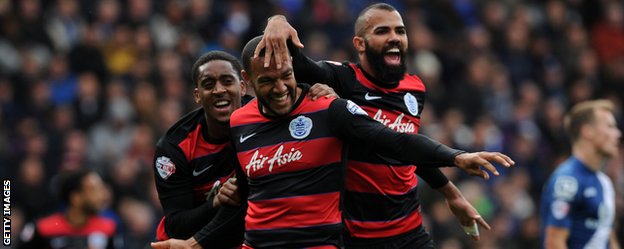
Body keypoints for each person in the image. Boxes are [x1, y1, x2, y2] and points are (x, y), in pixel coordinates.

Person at [231, 35, 512, 248]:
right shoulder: (239, 122)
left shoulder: (330, 109)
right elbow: (244, 196)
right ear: (248, 81)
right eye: (267, 81)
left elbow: (395, 142)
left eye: (286, 76)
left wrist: (455, 157)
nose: (280, 88)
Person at [151, 50, 337, 249]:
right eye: (208, 85)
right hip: (183, 242)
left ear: (242, 86)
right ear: (197, 95)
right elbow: (177, 224)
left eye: (227, 81)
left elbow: (299, 102)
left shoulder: (269, 117)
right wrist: (215, 202)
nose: (219, 90)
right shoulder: (174, 147)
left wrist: (326, 97)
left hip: (244, 238)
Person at [540, 99, 621, 249]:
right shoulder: (568, 180)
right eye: (610, 126)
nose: (617, 134)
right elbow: (554, 242)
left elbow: (608, 237)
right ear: (587, 131)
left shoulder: (605, 182)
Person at [18, 169, 121, 249]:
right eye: (93, 190)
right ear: (75, 198)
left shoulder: (109, 229)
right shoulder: (42, 229)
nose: (101, 196)